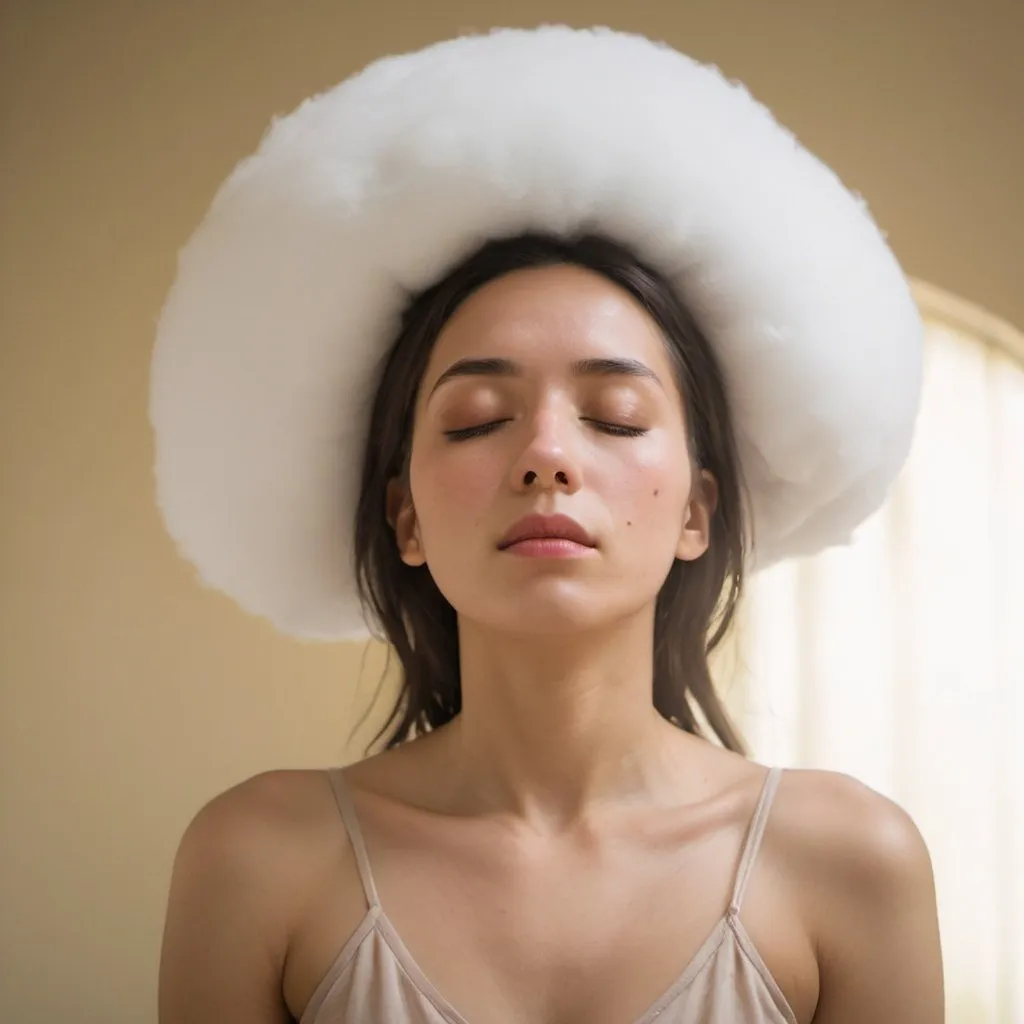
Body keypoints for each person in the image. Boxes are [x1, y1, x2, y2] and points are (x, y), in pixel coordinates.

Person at [152, 27, 944, 1024]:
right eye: (479, 419)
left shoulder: (848, 861)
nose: (547, 455)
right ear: (404, 516)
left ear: (697, 510)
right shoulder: (259, 857)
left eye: (613, 416)